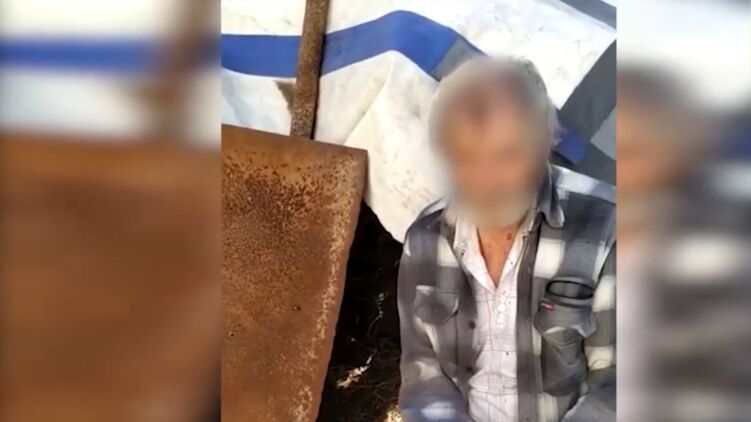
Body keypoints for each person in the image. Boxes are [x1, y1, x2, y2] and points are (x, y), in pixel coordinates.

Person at [397, 56, 616, 422]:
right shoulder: (425, 238)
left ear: (544, 143)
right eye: (466, 156)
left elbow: (616, 384)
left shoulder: (607, 226)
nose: (486, 181)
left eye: (507, 154)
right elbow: (423, 372)